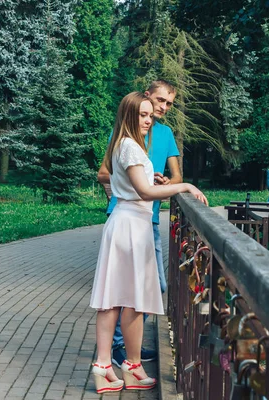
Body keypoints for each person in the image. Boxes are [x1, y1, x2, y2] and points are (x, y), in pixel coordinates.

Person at [90, 92, 207, 394]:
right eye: (142, 114)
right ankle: (105, 366)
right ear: (128, 115)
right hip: (129, 225)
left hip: (133, 225)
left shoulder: (128, 144)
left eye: (149, 115)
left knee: (131, 301)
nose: (148, 119)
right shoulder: (129, 145)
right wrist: (185, 186)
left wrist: (150, 178)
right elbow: (143, 193)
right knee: (115, 299)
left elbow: (135, 184)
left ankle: (131, 366)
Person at [97, 80, 180, 366]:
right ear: (146, 98)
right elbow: (104, 173)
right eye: (159, 101)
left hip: (149, 218)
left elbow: (176, 177)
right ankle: (120, 352)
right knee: (123, 291)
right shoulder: (126, 137)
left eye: (169, 103)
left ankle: (123, 353)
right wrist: (131, 185)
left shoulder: (166, 134)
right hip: (127, 216)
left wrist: (168, 182)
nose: (162, 108)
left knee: (147, 287)